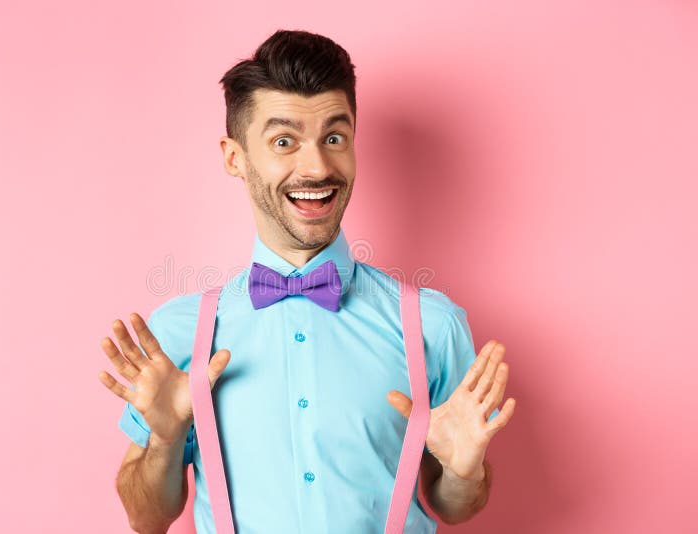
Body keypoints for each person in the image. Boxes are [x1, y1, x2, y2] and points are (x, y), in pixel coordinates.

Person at [97, 29, 515, 534]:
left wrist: (464, 473)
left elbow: (453, 505)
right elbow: (146, 519)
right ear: (235, 157)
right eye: (283, 142)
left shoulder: (433, 325)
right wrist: (164, 439)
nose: (316, 166)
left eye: (333, 138)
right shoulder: (181, 332)